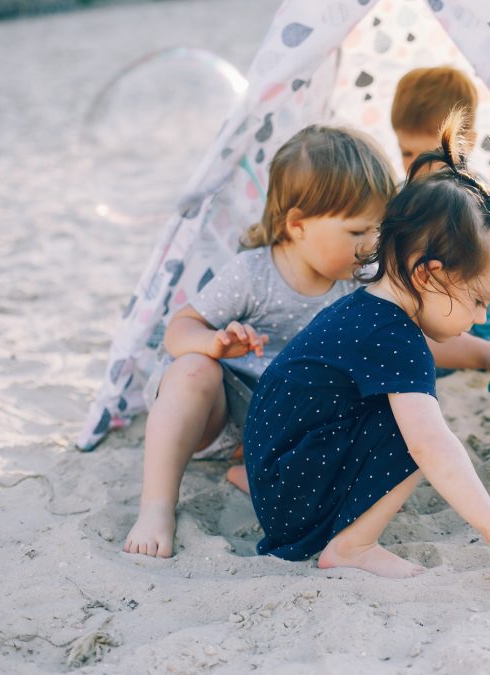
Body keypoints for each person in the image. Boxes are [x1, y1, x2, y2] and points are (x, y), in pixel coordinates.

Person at [243, 111, 490, 578]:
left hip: (279, 477)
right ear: (430, 273)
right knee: (418, 432)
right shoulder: (393, 337)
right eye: (480, 299)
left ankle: (344, 530)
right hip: (291, 500)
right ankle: (352, 548)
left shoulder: (371, 308)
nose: (482, 318)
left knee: (408, 419)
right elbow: (432, 447)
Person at [123, 125, 397, 558]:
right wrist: (214, 343)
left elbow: (405, 347)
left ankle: (253, 470)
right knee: (192, 368)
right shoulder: (253, 274)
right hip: (223, 412)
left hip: (285, 427)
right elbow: (179, 331)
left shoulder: (355, 287)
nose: (372, 245)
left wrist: (485, 354)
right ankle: (157, 506)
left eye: (379, 229)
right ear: (298, 225)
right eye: (358, 231)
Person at [391, 66, 490, 349]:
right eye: (406, 152)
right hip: (420, 322)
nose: (415, 166)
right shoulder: (402, 195)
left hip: (474, 331)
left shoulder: (484, 203)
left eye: (430, 154)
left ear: (466, 145)